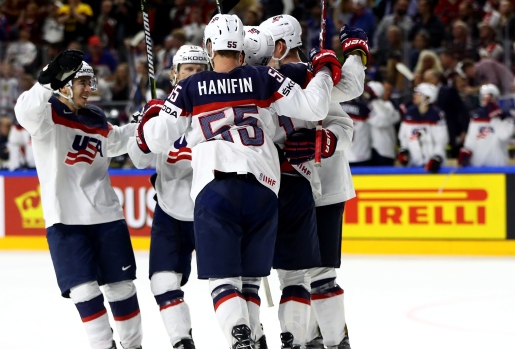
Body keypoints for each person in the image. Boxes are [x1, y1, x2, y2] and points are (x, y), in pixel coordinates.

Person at [136, 14, 339, 349]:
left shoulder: (189, 87)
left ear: (209, 47)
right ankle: (284, 339)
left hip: (215, 188)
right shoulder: (264, 77)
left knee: (224, 280)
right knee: (252, 280)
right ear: (242, 51)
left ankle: (240, 338)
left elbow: (155, 140)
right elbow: (315, 106)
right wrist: (323, 71)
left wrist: (153, 116)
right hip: (263, 189)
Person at [14, 51, 142, 349]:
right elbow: (24, 111)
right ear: (64, 85)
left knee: (122, 287)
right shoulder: (46, 114)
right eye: (82, 82)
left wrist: (142, 123)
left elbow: (114, 141)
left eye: (89, 81)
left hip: (106, 215)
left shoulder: (95, 115)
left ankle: (133, 346)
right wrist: (48, 78)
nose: (89, 88)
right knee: (83, 290)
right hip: (65, 219)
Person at [259, 16, 367, 349]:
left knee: (319, 273)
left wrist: (325, 140)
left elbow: (344, 125)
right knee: (294, 275)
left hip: (324, 187)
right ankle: (311, 340)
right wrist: (356, 56)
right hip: (283, 188)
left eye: (262, 49)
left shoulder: (314, 76)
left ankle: (332, 341)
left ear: (278, 47)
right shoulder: (264, 79)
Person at [128, 45, 209, 349]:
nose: (194, 75)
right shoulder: (162, 113)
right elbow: (138, 159)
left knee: (233, 282)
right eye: (188, 69)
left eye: (200, 70)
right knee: (162, 282)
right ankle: (181, 341)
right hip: (170, 212)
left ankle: (251, 336)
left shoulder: (220, 106)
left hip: (211, 209)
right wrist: (144, 130)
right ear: (175, 74)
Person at [458, 84, 515, 167]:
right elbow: (471, 138)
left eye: (489, 98)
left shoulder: (504, 118)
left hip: (497, 165)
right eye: (484, 98)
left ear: (495, 99)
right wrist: (466, 150)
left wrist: (501, 117)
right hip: (477, 165)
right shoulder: (476, 117)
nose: (487, 101)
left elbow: (504, 137)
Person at [397, 83, 449, 173]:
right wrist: (404, 151)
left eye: (418, 93)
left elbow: (442, 140)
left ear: (427, 97)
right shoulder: (409, 113)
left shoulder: (437, 114)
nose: (414, 95)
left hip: (433, 166)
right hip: (413, 166)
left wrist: (437, 156)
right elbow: (403, 136)